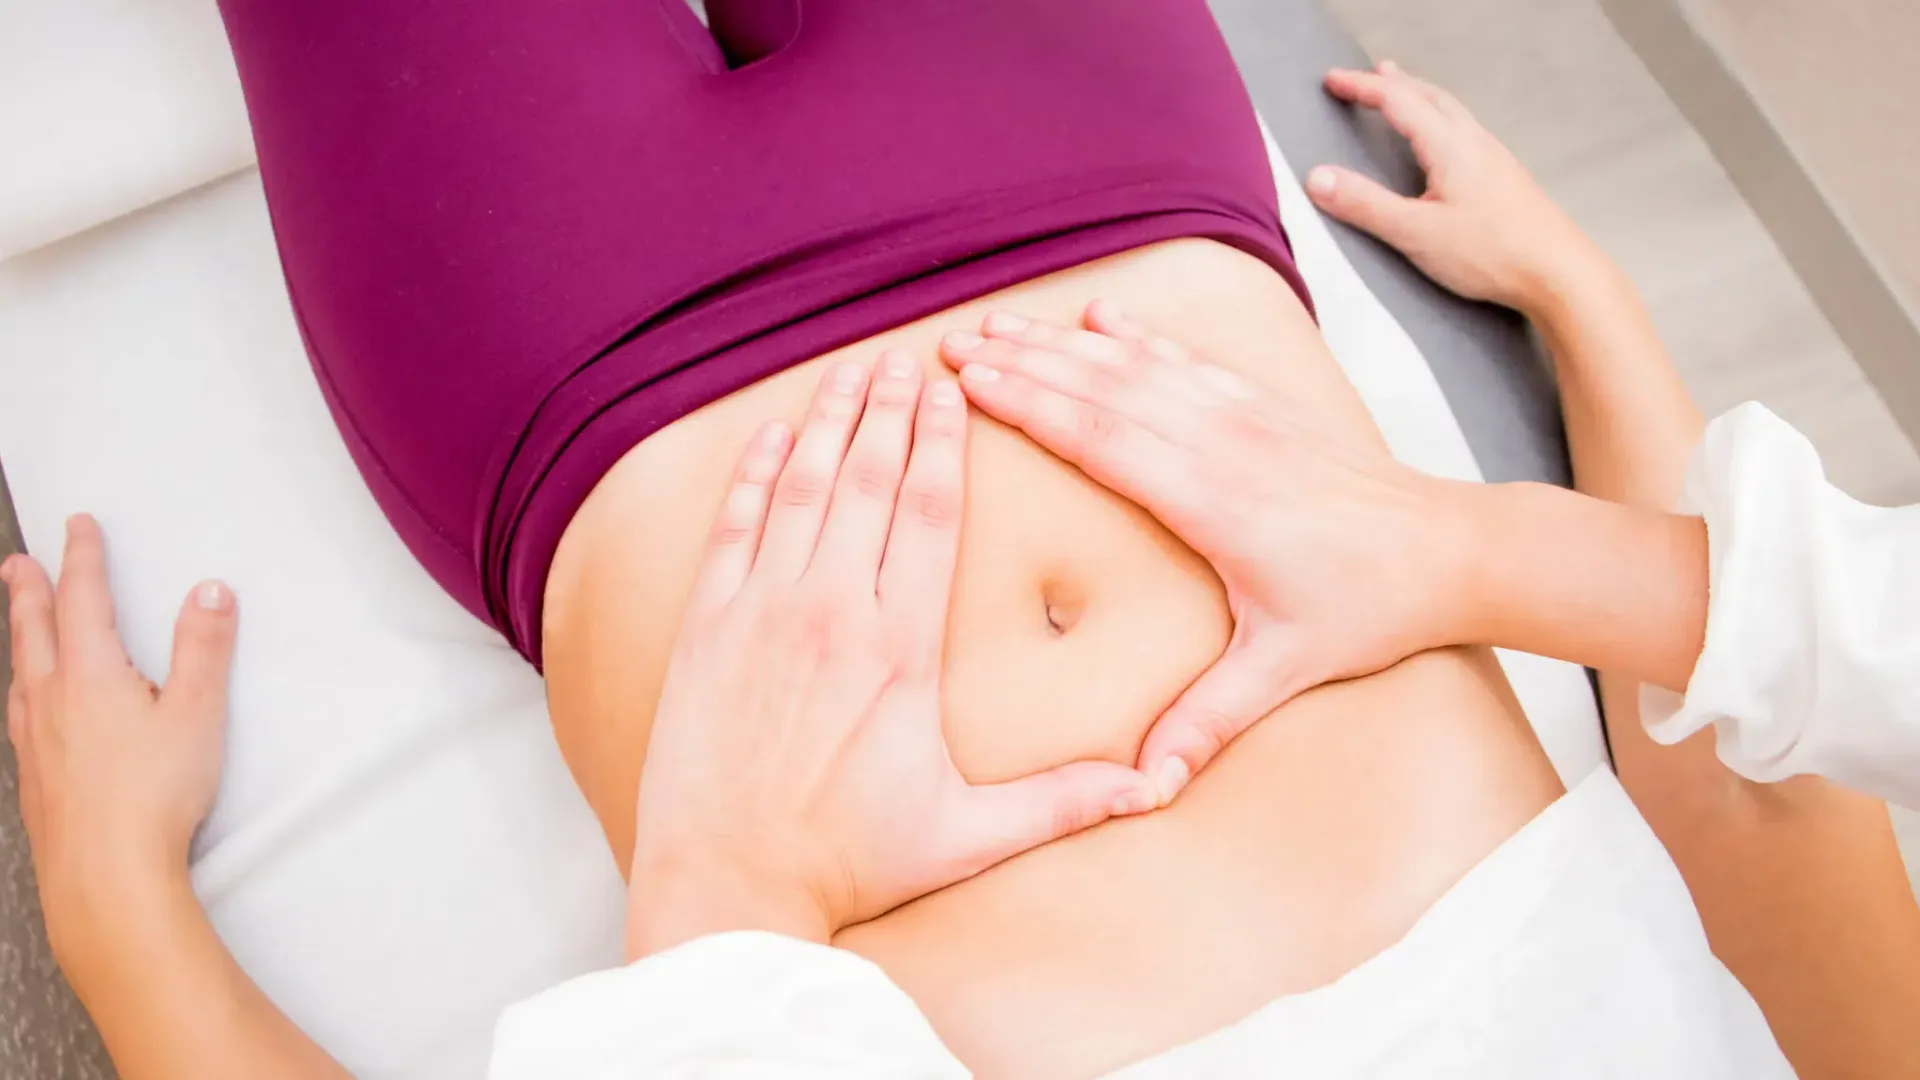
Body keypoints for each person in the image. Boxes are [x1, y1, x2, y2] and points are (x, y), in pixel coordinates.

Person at [4, 3, 1918, 1072]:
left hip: (609, 370)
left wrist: (125, 924)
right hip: (1112, 199)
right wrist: (1580, 323)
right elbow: (1761, 823)